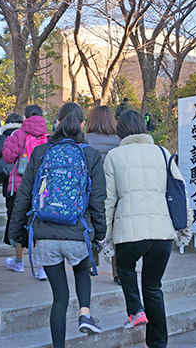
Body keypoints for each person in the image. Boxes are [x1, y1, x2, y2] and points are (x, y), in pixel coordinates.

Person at [8, 102, 107, 347]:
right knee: (82, 270)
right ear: (82, 124)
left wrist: (15, 232)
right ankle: (85, 312)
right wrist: (100, 234)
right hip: (77, 233)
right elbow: (97, 200)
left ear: (57, 122)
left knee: (59, 298)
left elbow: (24, 195)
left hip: (46, 236)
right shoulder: (90, 155)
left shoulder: (41, 152)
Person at [103, 110, 193, 348]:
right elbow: (180, 191)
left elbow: (109, 200)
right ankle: (157, 343)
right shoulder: (162, 153)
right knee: (153, 287)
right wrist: (184, 228)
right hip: (161, 233)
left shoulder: (114, 156)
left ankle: (135, 310)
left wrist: (105, 235)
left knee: (124, 267)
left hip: (129, 232)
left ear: (119, 130)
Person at [2, 104, 49, 279]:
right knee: (41, 225)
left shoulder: (18, 134)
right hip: (42, 189)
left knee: (21, 222)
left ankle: (19, 262)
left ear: (25, 117)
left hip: (20, 187)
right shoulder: (47, 137)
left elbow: (7, 157)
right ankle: (42, 268)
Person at [84, 105, 121, 284]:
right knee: (116, 230)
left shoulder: (85, 140)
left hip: (93, 192)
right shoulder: (120, 140)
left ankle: (92, 263)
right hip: (115, 191)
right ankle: (118, 271)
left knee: (91, 225)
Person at [0, 113, 24, 247]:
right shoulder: (24, 134)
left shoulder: (4, 134)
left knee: (9, 208)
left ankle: (10, 237)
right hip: (21, 175)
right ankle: (17, 238)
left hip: (8, 176)